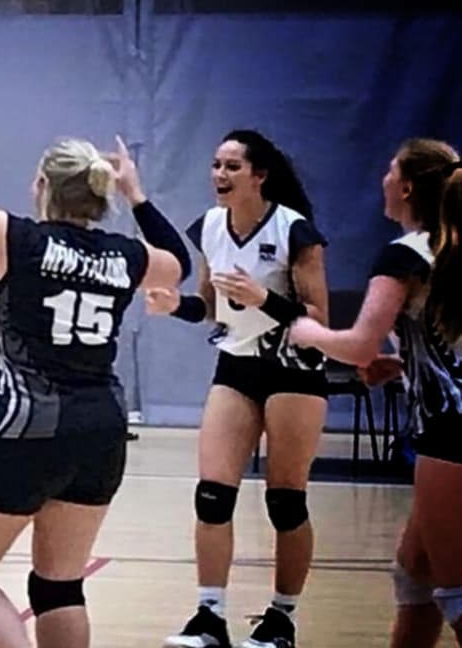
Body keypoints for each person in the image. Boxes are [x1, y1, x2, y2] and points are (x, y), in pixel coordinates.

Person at [0, 87, 186, 648]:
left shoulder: (17, 239)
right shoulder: (125, 256)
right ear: (101, 196)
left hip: (28, 428)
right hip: (102, 429)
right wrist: (138, 195)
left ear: (42, 187)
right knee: (59, 588)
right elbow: (174, 266)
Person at [149, 129, 329, 648]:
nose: (220, 175)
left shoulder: (296, 231)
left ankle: (282, 619)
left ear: (259, 175)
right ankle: (209, 617)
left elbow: (319, 318)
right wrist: (173, 305)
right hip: (236, 364)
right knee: (211, 495)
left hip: (293, 369)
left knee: (286, 503)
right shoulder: (209, 227)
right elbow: (207, 304)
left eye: (232, 167)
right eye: (216, 165)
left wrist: (263, 299)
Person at [289, 139, 461, 648]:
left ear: (406, 186)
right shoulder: (447, 246)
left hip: (450, 435)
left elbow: (359, 343)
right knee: (415, 575)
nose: (383, 178)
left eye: (390, 170)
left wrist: (307, 332)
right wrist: (405, 364)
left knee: (454, 591)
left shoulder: (405, 255)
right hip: (447, 421)